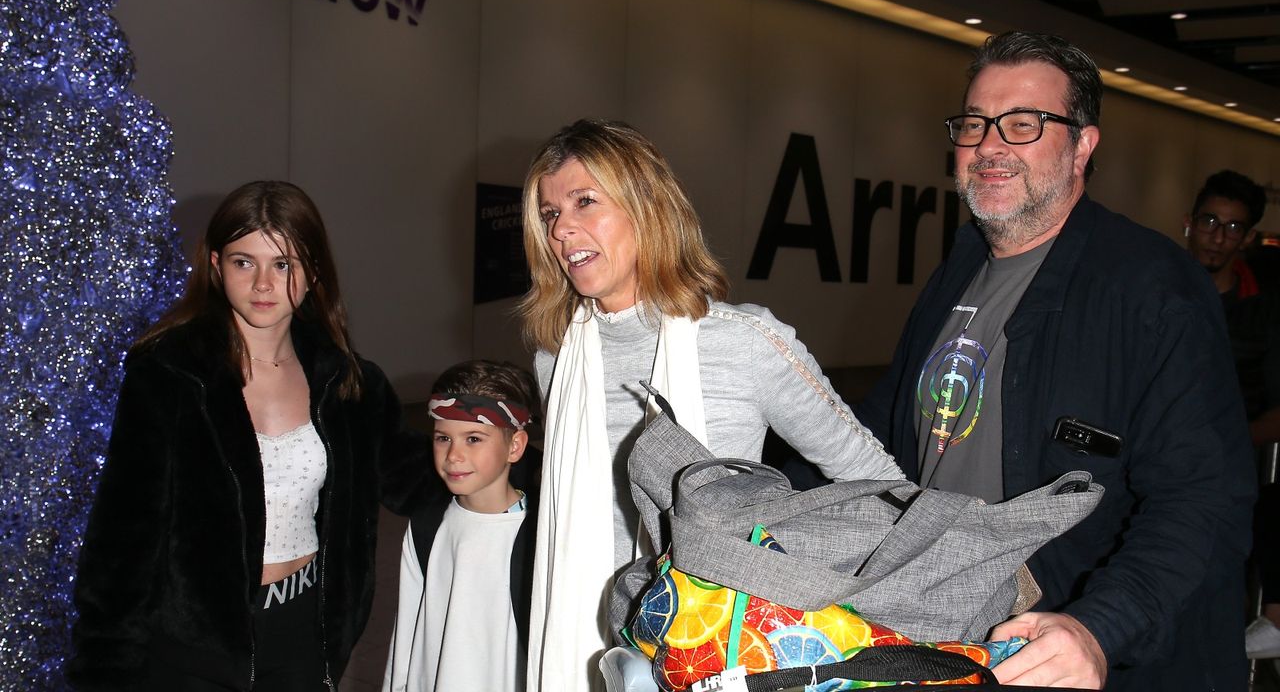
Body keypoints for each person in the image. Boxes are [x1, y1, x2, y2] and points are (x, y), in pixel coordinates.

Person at [855, 32, 1255, 690]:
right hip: (942, 628)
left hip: (1065, 646)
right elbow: (883, 427)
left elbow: (1202, 499)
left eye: (1023, 124)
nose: (990, 145)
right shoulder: (960, 267)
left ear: (1082, 146)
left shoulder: (1151, 287)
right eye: (975, 124)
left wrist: (1099, 626)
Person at [518, 118, 905, 691]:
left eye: (584, 202)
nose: (562, 230)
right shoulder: (557, 360)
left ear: (647, 208)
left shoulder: (743, 342)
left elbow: (874, 478)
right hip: (587, 641)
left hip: (715, 645)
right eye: (550, 214)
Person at [66, 181, 429, 690]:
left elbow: (416, 478)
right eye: (244, 262)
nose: (263, 283)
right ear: (216, 266)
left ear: (313, 273)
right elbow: (122, 538)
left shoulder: (348, 382)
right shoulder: (170, 373)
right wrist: (103, 670)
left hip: (306, 635)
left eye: (283, 264)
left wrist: (513, 462)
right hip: (193, 646)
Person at [382, 360, 541, 692]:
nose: (453, 454)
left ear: (515, 446)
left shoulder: (540, 536)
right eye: (443, 438)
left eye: (473, 438)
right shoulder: (427, 525)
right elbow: (408, 627)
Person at [1184, 169, 1279, 447]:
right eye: (1210, 222)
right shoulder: (1153, 295)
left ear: (1248, 238)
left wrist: (1224, 441)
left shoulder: (1265, 314)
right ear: (1189, 223)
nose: (1218, 238)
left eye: (1233, 228)